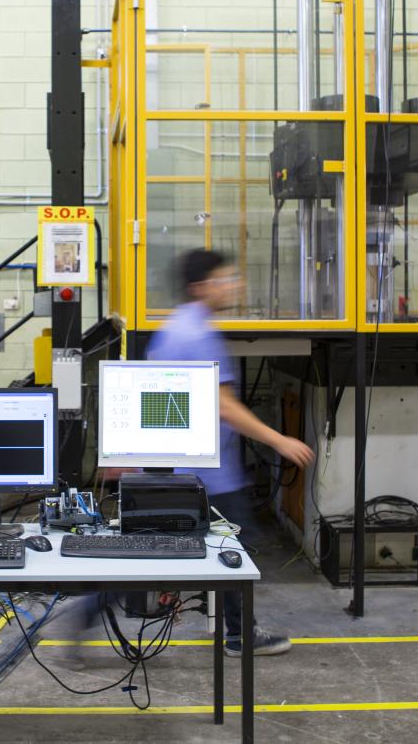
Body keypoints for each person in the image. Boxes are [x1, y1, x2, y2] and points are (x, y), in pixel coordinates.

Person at [146, 248, 314, 656]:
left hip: (186, 467)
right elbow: (222, 405)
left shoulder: (177, 326)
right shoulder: (197, 334)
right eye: (226, 278)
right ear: (201, 287)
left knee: (197, 552)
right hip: (209, 473)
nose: (234, 285)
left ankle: (239, 631)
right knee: (233, 549)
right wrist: (279, 440)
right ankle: (240, 635)